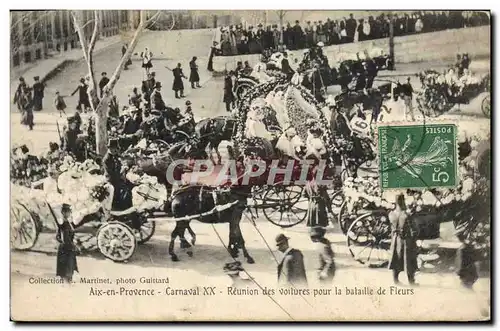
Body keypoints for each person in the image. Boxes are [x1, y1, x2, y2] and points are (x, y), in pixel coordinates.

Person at [388, 194, 418, 286]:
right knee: (409, 260)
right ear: (403, 201)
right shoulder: (406, 215)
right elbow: (414, 229)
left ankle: (395, 280)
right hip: (406, 240)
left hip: (395, 239)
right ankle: (411, 281)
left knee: (395, 258)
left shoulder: (391, 214)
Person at [56, 203, 78, 284]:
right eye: (67, 212)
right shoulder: (63, 224)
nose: (69, 213)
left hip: (67, 248)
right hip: (66, 248)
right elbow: (63, 237)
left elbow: (58, 237)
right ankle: (67, 282)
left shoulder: (67, 223)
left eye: (69, 212)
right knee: (67, 267)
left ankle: (67, 281)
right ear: (63, 213)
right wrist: (73, 245)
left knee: (69, 267)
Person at [455, 223, 479, 290]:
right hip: (468, 270)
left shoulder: (463, 248)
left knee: (466, 286)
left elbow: (461, 261)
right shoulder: (465, 248)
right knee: (467, 286)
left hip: (467, 270)